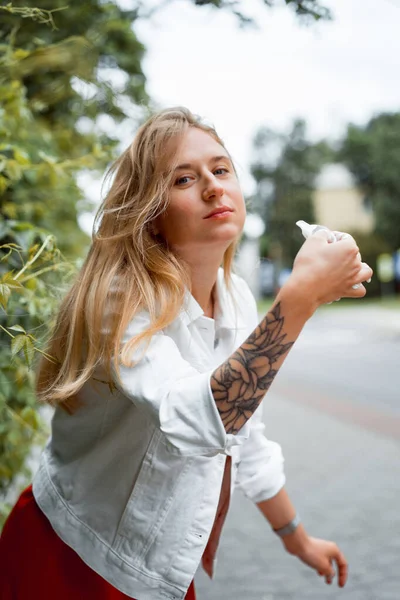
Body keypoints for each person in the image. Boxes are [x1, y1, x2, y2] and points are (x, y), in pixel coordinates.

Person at [0, 107, 373, 600]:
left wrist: (297, 538)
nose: (214, 187)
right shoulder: (122, 299)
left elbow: (244, 435)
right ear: (149, 213)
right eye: (183, 179)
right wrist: (298, 301)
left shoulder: (235, 295)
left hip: (158, 572)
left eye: (221, 170)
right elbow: (198, 423)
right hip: (70, 554)